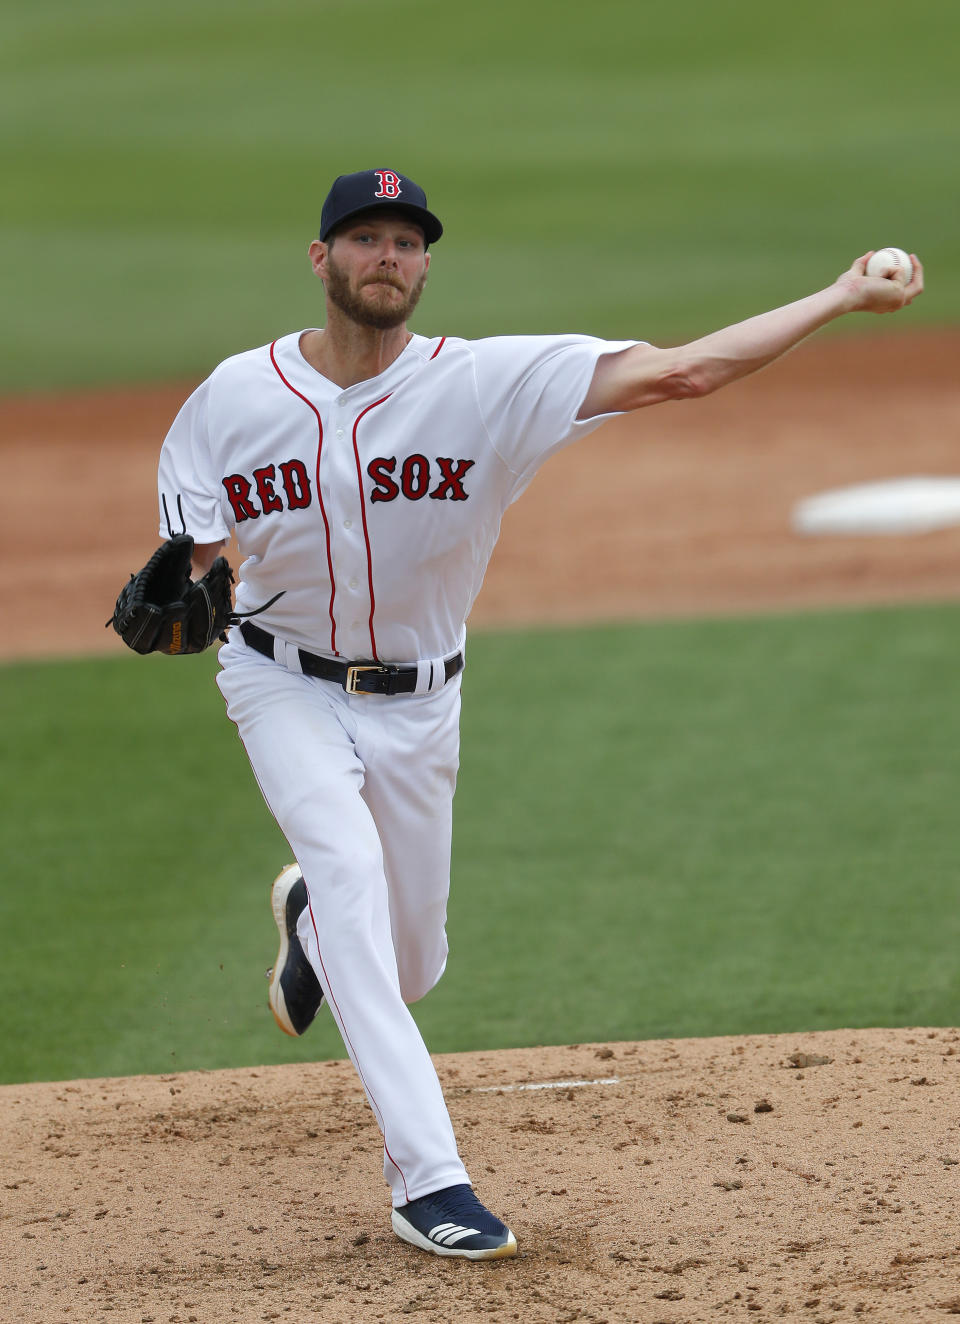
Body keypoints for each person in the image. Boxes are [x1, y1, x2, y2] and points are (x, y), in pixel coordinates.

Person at [152, 168, 922, 1259]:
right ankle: (430, 1179)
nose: (388, 256)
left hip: (423, 704)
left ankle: (310, 923)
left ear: (426, 265)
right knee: (357, 884)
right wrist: (181, 574)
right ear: (320, 260)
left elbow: (685, 372)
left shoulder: (486, 385)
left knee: (412, 963)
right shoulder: (235, 394)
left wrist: (840, 295)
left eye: (407, 242)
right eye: (365, 238)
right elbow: (189, 544)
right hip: (278, 682)